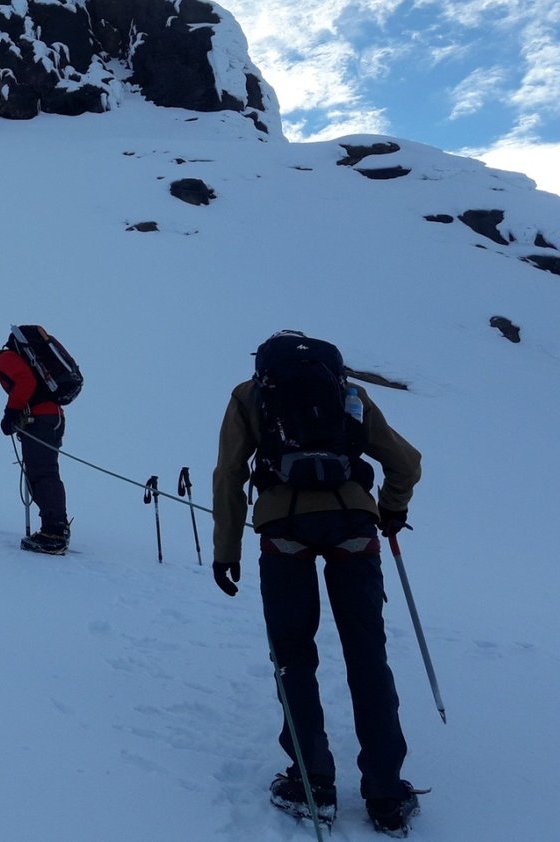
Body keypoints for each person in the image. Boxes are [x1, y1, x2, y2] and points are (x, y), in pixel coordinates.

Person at [211, 330, 423, 836]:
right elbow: (406, 463)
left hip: (282, 531)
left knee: (293, 656)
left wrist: (226, 552)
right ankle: (387, 794)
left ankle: (312, 784)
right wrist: (390, 510)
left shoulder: (249, 395)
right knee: (367, 655)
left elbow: (229, 475)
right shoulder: (349, 393)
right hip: (353, 525)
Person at [0, 344, 69, 554]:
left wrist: (11, 412)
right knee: (39, 473)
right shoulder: (2, 366)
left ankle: (54, 532)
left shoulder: (4, 359)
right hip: (44, 419)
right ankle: (55, 527)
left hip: (43, 420)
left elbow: (27, 381)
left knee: (42, 473)